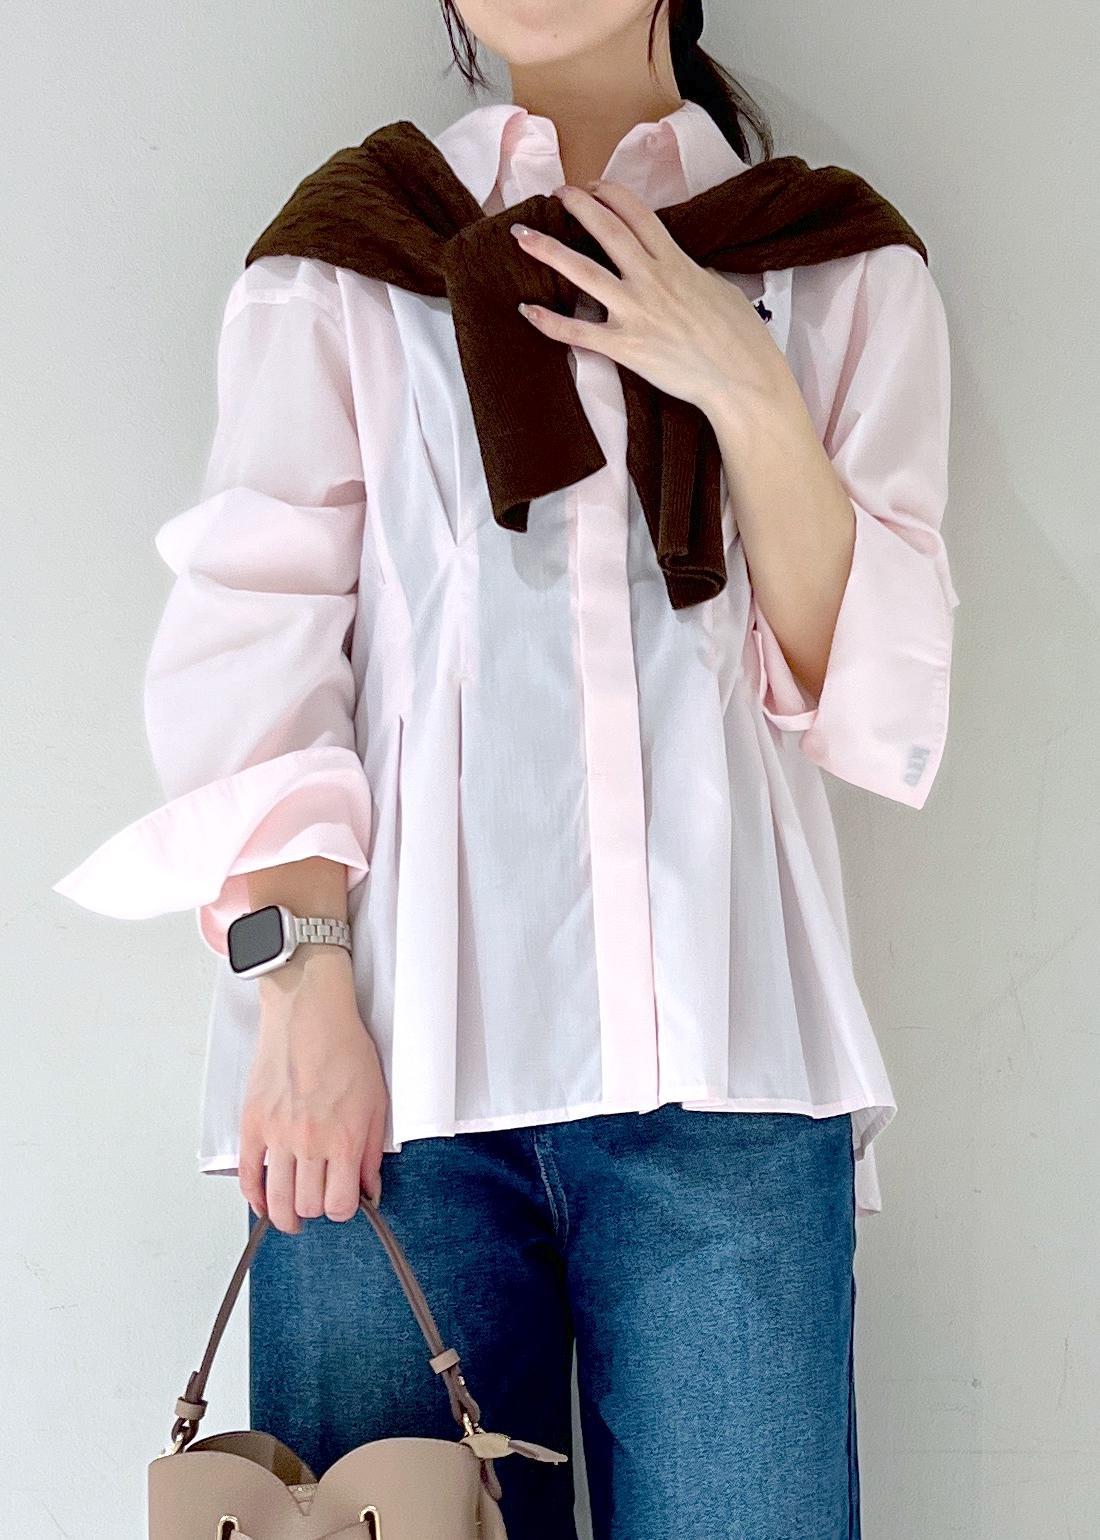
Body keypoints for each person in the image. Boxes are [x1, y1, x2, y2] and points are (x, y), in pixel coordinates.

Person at [52, 1, 959, 1534]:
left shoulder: (832, 262)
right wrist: (301, 993)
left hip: (732, 1078)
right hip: (385, 1092)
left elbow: (861, 692)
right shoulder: (352, 253)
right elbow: (257, 643)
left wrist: (739, 380)